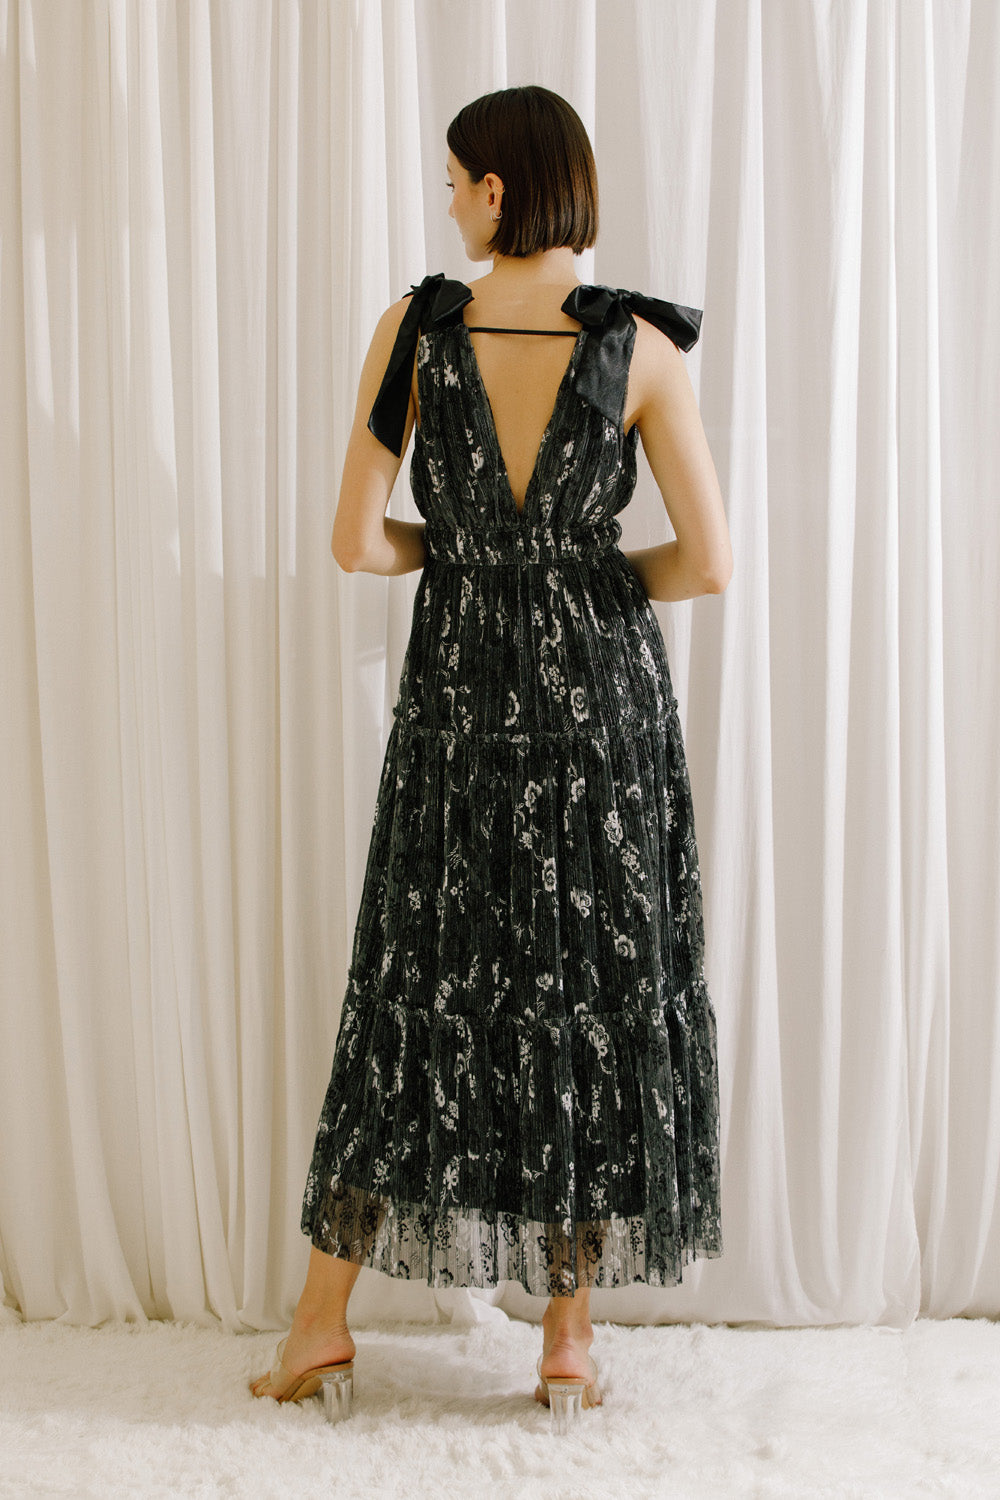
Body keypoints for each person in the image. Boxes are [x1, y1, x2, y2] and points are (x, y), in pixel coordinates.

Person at [251, 83, 732, 1429]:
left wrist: (465, 554)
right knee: (584, 985)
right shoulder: (642, 347)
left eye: (455, 181)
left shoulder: (416, 330)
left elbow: (357, 541)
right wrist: (583, 573)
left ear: (498, 191)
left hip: (458, 707)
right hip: (600, 709)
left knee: (416, 982)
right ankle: (567, 1343)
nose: (449, 202)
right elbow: (708, 561)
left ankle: (320, 1325)